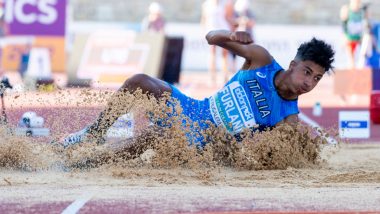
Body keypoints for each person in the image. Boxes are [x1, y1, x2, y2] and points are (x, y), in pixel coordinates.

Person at [62, 30, 335, 149]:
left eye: (317, 78)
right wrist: (230, 34)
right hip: (195, 108)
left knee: (157, 138)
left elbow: (275, 157)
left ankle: (93, 163)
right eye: (307, 72)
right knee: (139, 81)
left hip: (207, 143)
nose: (309, 82)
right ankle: (94, 134)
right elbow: (211, 38)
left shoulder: (289, 118)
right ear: (292, 65)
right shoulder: (261, 60)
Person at [201, 0, 232, 85]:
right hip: (211, 30)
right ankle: (212, 77)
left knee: (224, 54)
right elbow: (204, 19)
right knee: (212, 53)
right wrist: (203, 31)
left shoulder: (227, 3)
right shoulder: (206, 4)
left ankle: (225, 76)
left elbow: (229, 18)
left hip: (223, 30)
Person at [340, 0, 368, 69]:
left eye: (358, 2)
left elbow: (366, 25)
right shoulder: (347, 10)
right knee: (351, 61)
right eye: (355, 2)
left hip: (359, 39)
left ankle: (360, 69)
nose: (356, 4)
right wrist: (344, 38)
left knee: (361, 59)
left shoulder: (362, 11)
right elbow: (343, 26)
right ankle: (351, 70)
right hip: (350, 39)